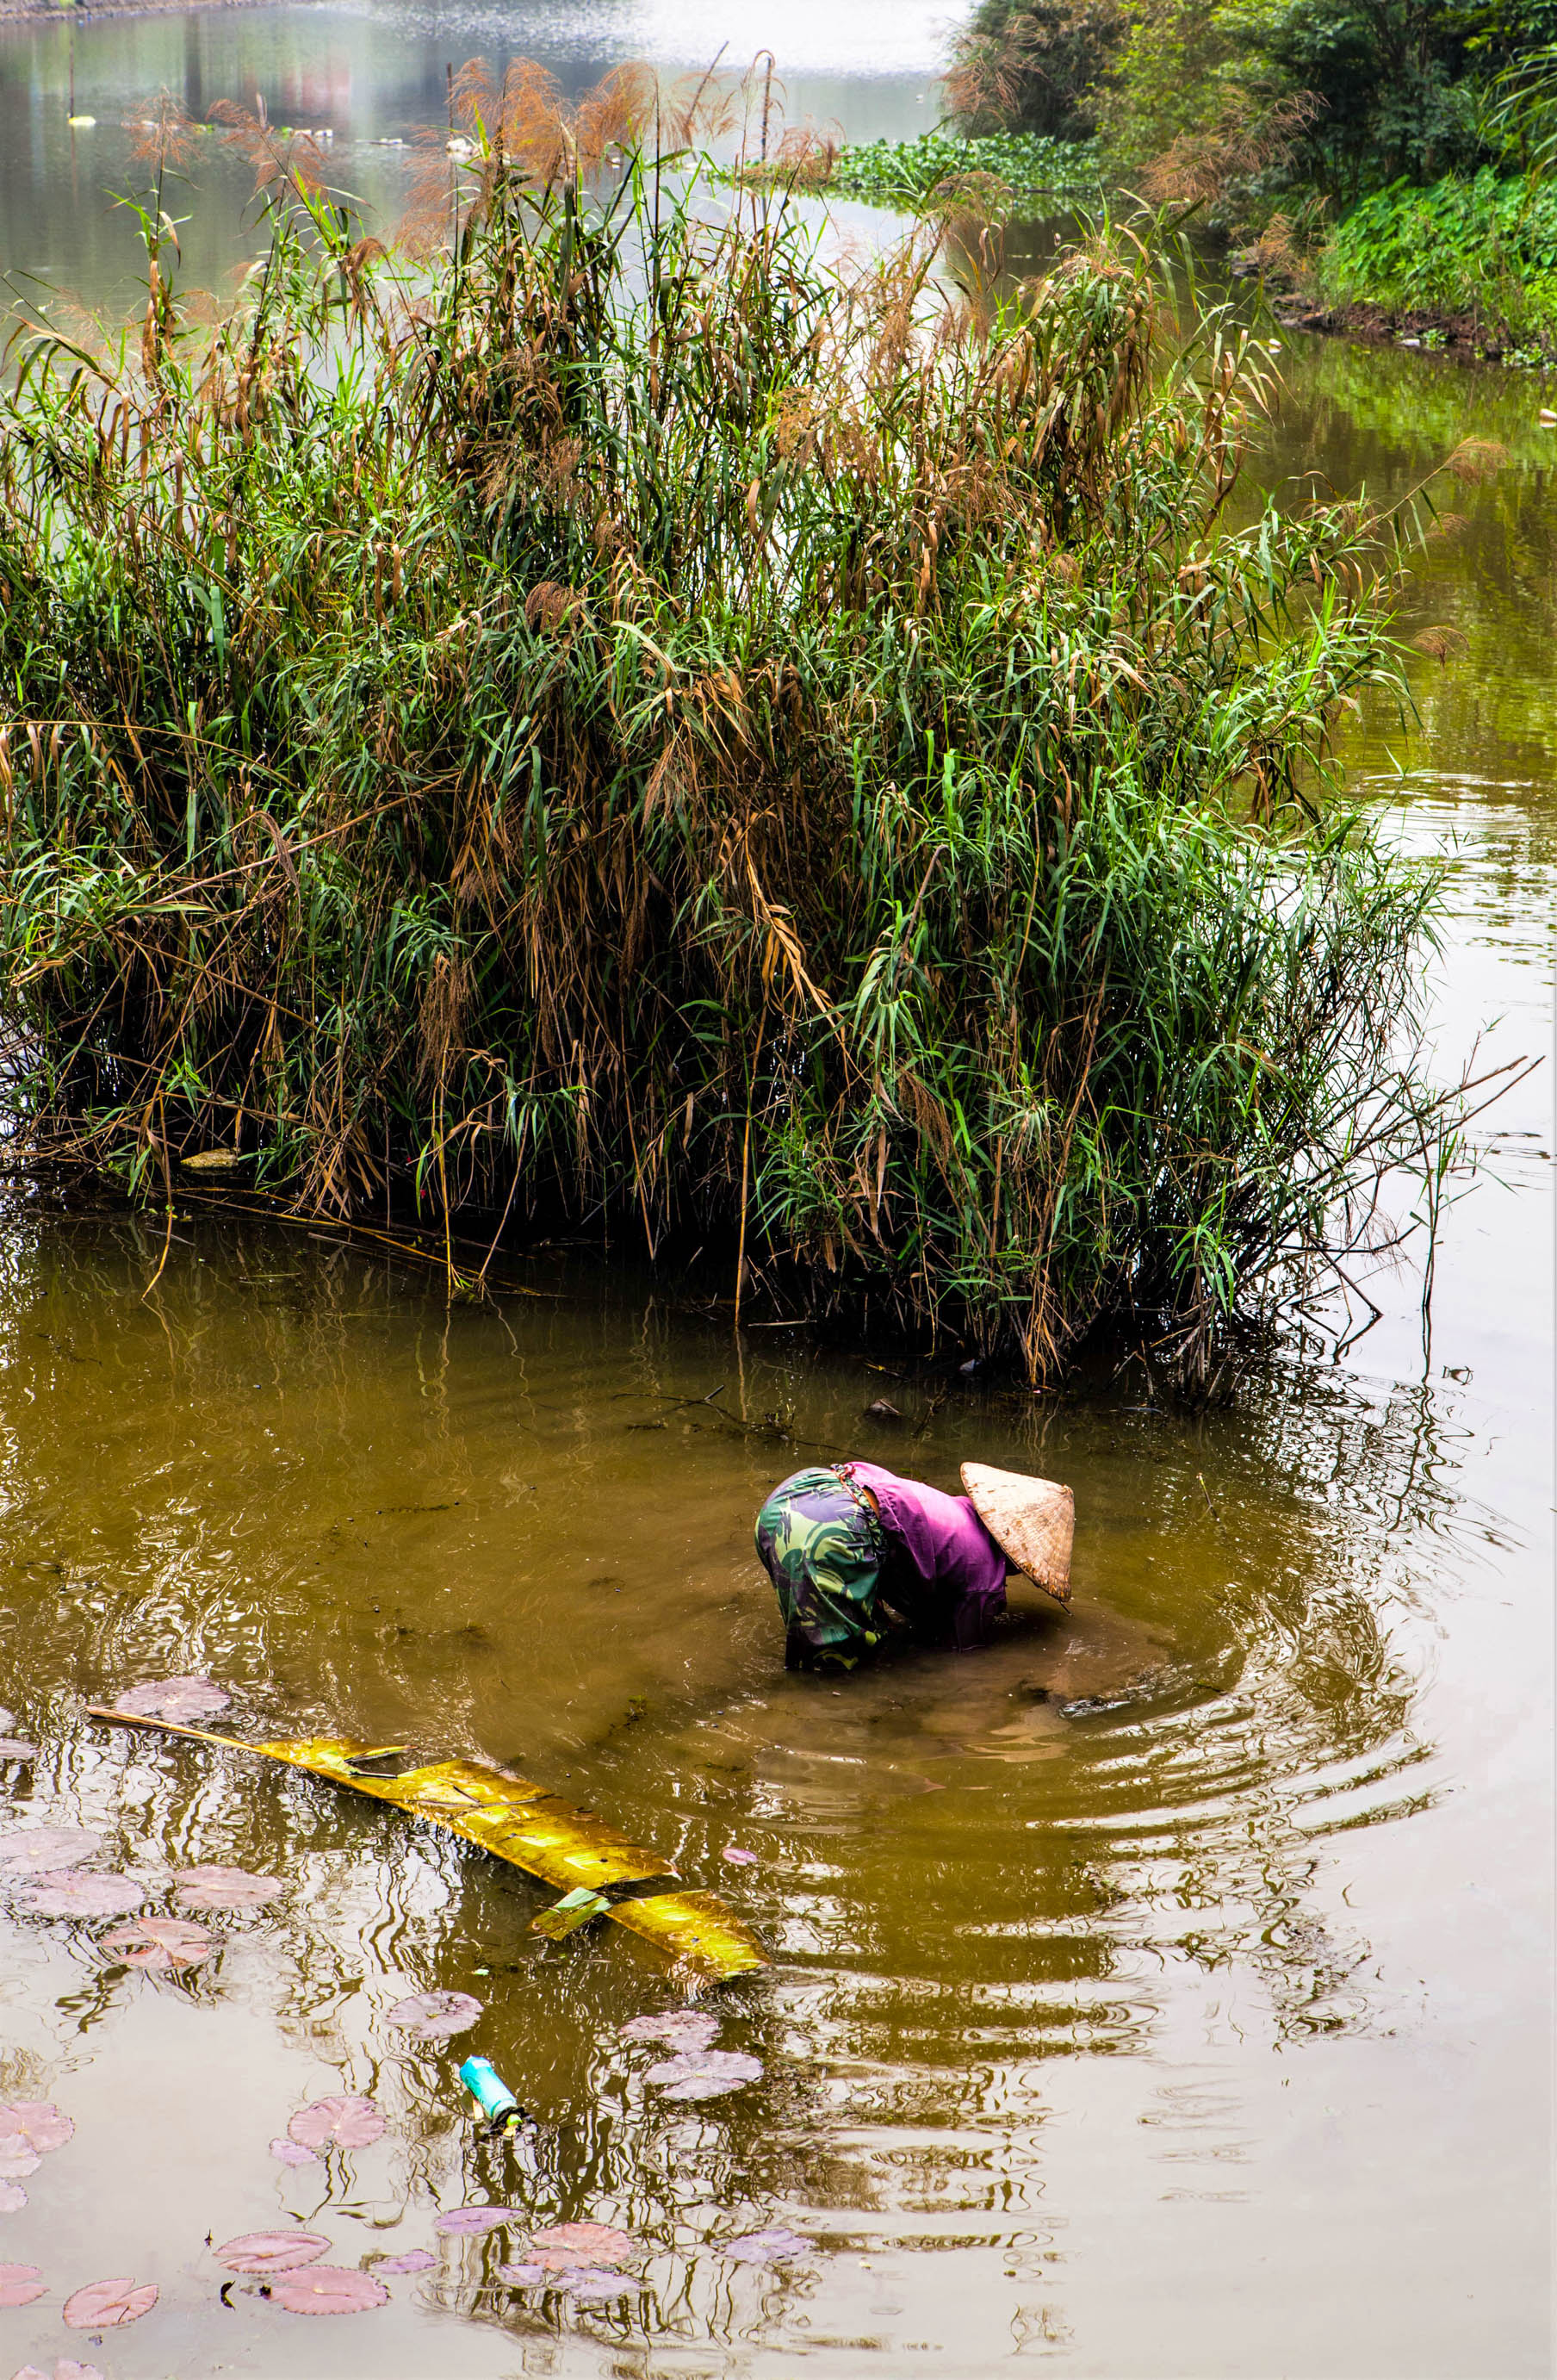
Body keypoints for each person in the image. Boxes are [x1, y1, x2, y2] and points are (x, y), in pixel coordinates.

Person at [754, 1457, 1075, 1674]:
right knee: (833, 1678)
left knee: (828, 1638)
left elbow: (882, 1545)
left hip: (794, 1495)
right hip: (830, 1531)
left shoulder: (943, 1508)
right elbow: (962, 1655)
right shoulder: (984, 1578)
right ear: (1021, 1561)